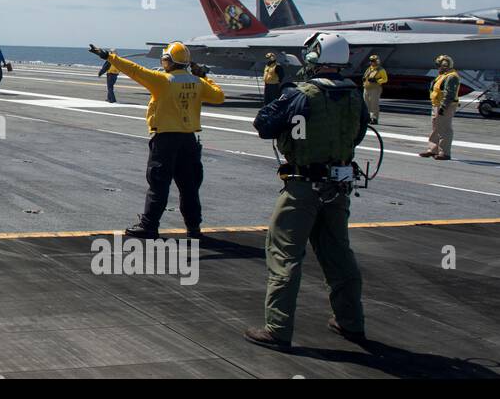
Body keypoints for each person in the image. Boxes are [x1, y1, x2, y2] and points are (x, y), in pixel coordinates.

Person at [245, 32, 368, 353]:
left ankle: (278, 328)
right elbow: (359, 133)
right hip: (338, 186)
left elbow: (263, 124)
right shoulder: (355, 95)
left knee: (284, 254)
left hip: (303, 186)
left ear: (314, 56)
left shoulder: (301, 93)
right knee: (338, 254)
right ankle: (351, 322)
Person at [89, 41, 224, 239]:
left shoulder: (164, 80)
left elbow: (135, 70)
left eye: (165, 59)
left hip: (166, 140)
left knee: (159, 185)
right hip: (189, 141)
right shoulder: (198, 82)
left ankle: (149, 226)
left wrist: (109, 56)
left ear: (169, 61)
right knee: (189, 187)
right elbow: (219, 96)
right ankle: (194, 228)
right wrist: (203, 75)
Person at [419, 54, 460, 160]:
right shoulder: (443, 75)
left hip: (445, 106)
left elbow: (450, 93)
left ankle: (444, 153)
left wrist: (443, 106)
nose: (438, 67)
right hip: (436, 105)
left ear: (445, 65)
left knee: (445, 129)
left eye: (439, 65)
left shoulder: (452, 76)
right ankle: (432, 150)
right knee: (436, 128)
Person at [362, 54, 388, 124]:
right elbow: (365, 76)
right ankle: (367, 117)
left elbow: (385, 79)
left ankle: (374, 118)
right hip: (366, 88)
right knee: (366, 104)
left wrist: (377, 81)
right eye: (370, 61)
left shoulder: (381, 70)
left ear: (377, 61)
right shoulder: (369, 69)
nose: (371, 62)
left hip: (375, 88)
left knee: (374, 104)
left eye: (373, 61)